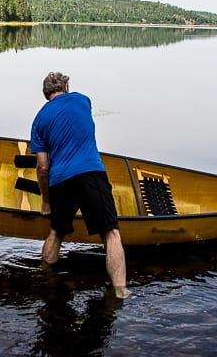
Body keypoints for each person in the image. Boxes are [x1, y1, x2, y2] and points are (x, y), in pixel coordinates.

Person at [30, 71, 129, 298]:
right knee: (111, 233)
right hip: (90, 173)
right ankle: (120, 291)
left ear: (46, 94)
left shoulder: (38, 120)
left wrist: (46, 202)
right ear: (66, 86)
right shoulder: (82, 100)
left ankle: (46, 281)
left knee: (56, 232)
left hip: (60, 180)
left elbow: (42, 167)